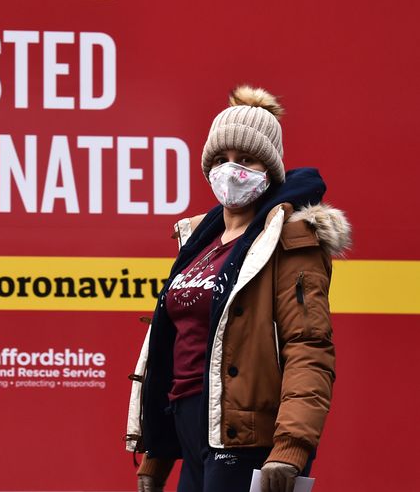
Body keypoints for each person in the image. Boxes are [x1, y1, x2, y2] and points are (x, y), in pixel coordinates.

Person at [125, 86, 350, 492]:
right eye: (222, 160)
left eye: (246, 160)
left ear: (270, 171)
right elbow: (174, 349)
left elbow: (308, 347)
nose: (232, 170)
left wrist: (290, 447)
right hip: (190, 430)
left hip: (244, 439)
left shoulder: (290, 239)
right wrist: (156, 455)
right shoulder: (198, 241)